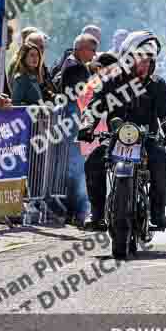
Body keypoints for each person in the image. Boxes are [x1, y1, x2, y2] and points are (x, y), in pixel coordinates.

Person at [79, 30, 166, 231]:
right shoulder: (111, 82)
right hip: (115, 139)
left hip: (147, 139)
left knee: (161, 161)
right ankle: (97, 212)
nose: (144, 64)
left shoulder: (157, 85)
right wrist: (87, 126)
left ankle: (158, 211)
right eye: (139, 59)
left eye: (148, 60)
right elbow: (94, 106)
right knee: (93, 161)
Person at [58, 33, 99, 226]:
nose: (94, 54)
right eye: (92, 50)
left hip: (75, 122)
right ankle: (76, 213)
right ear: (82, 48)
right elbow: (81, 97)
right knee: (76, 169)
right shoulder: (75, 67)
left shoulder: (75, 65)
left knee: (76, 168)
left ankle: (75, 212)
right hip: (74, 124)